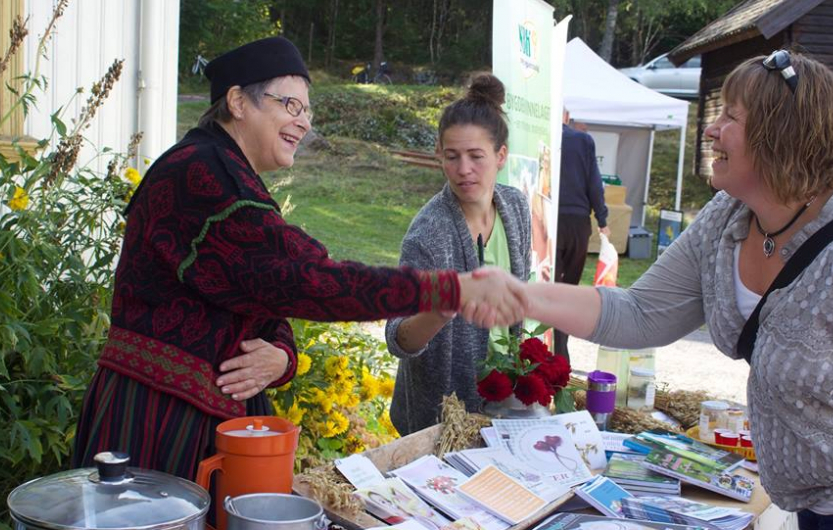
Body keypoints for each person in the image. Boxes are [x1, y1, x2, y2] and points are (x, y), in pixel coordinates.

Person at [71, 37, 526, 479]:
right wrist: (447, 288)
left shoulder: (231, 174)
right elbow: (306, 280)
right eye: (290, 105)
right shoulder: (201, 175)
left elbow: (262, 294)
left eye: (306, 109)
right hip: (158, 417)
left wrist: (282, 357)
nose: (304, 122)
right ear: (237, 101)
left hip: (212, 415)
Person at [493, 51, 833, 529]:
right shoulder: (727, 216)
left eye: (730, 116)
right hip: (812, 508)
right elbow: (642, 313)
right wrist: (520, 295)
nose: (711, 130)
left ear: (778, 135)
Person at [385, 74, 531, 435]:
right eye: (452, 157)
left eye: (476, 156)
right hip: (438, 423)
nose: (463, 169)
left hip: (502, 410)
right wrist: (441, 309)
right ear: (440, 155)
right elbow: (398, 339)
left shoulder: (516, 208)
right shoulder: (429, 234)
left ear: (501, 156)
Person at [554, 109, 608, 360]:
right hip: (577, 223)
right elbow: (594, 183)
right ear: (565, 115)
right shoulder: (582, 140)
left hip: (546, 220)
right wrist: (603, 219)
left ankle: (551, 349)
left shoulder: (540, 136)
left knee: (547, 288)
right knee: (567, 290)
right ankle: (561, 352)